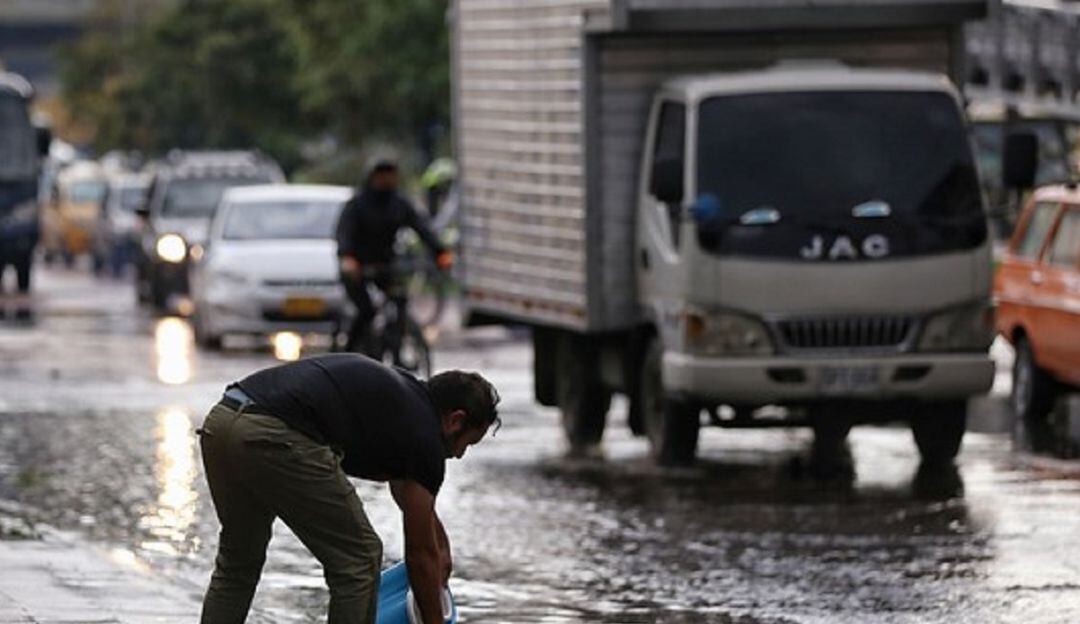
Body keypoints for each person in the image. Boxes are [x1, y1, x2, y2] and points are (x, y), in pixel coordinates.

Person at [197, 354, 500, 624]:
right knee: (360, 559)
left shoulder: (404, 400)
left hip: (222, 423)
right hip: (273, 435)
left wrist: (440, 547)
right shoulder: (426, 440)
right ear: (454, 420)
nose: (459, 454)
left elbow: (409, 495)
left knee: (239, 560)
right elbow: (419, 555)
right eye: (467, 443)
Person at [336, 160, 452, 353]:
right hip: (358, 266)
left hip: (386, 264)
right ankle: (349, 352)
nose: (387, 180)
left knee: (398, 300)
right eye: (382, 176)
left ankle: (395, 345)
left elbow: (422, 228)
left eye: (391, 175)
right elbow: (344, 234)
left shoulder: (399, 204)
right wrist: (348, 258)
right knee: (366, 311)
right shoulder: (357, 204)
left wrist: (440, 252)